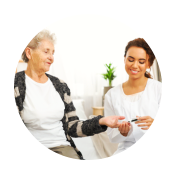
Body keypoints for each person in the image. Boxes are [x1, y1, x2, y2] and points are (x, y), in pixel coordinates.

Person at [14, 30, 125, 160]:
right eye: (46, 51)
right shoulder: (13, 85)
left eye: (53, 53)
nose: (51, 57)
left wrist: (102, 121)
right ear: (29, 53)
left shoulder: (60, 85)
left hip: (62, 147)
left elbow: (72, 127)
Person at [104, 38, 162, 155]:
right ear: (124, 59)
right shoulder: (111, 95)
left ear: (148, 64)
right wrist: (122, 133)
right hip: (125, 152)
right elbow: (111, 136)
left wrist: (157, 125)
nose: (135, 65)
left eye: (141, 62)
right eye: (131, 60)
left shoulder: (159, 89)